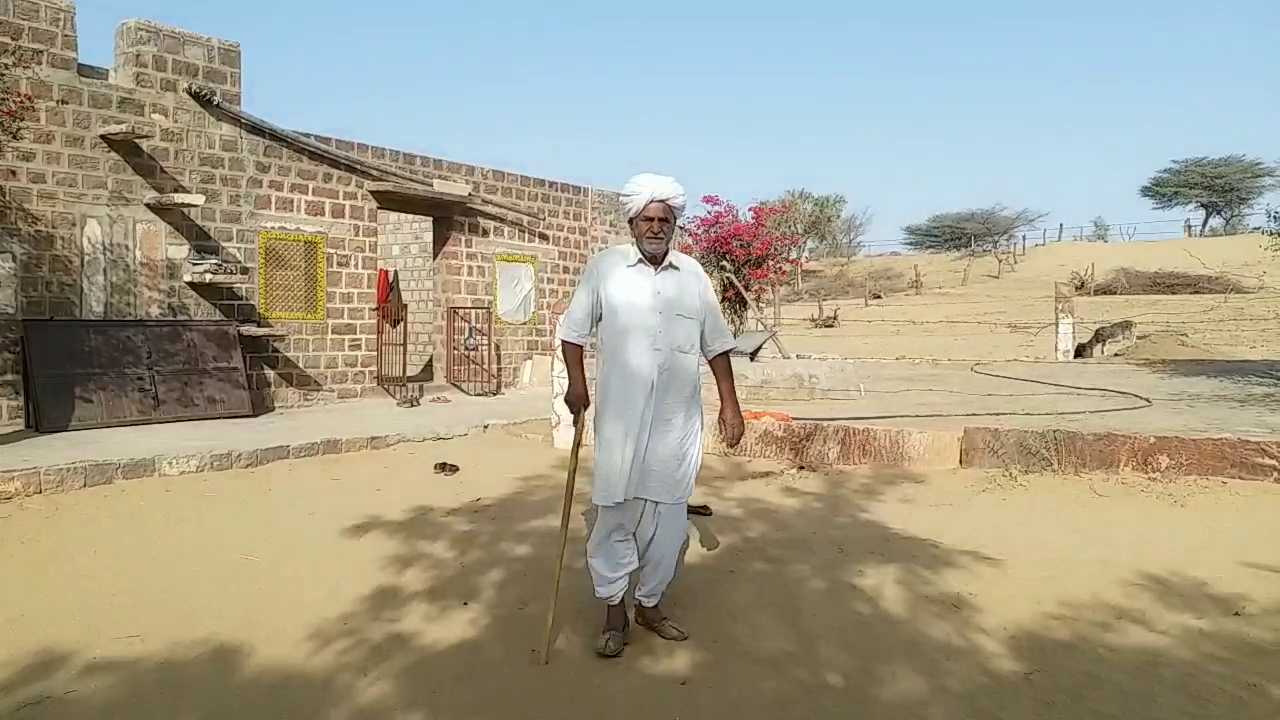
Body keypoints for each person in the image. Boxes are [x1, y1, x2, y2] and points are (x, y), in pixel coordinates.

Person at [557, 172, 745, 658]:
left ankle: (651, 605)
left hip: (675, 423)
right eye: (648, 219)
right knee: (615, 515)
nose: (657, 226)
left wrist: (730, 403)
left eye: (665, 219)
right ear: (632, 222)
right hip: (620, 420)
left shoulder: (694, 275)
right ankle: (614, 612)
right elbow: (573, 332)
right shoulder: (605, 268)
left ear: (675, 223)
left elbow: (717, 344)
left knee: (669, 524)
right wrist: (576, 384)